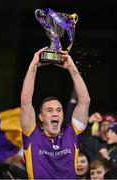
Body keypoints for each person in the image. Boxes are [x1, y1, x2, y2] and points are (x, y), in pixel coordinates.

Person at [20, 47, 90, 179]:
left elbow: (84, 101)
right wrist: (33, 65)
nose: (55, 114)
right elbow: (25, 101)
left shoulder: (72, 134)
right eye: (49, 110)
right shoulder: (32, 135)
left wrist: (71, 67)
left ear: (63, 115)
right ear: (40, 116)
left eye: (59, 110)